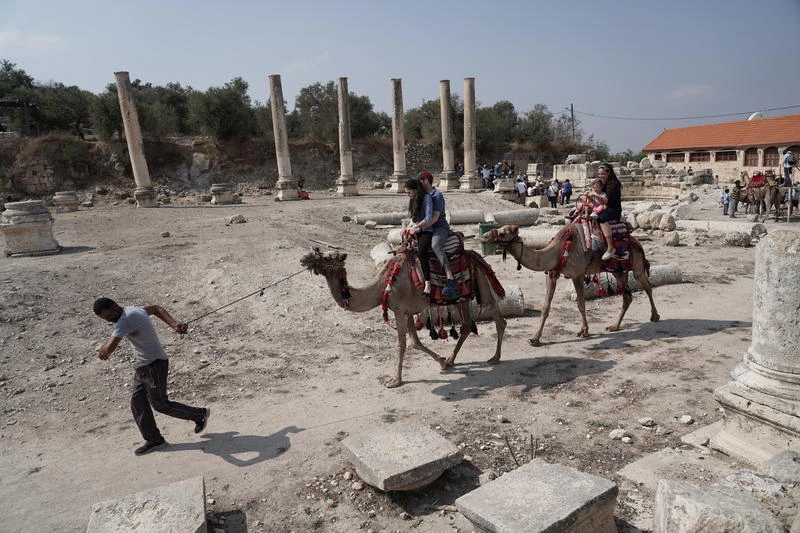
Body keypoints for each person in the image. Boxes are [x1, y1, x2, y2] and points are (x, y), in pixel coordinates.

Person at [93, 298, 210, 456]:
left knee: (160, 404)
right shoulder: (133, 310)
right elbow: (156, 308)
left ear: (114, 306)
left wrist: (102, 351)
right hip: (144, 366)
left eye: (108, 317)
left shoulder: (125, 320)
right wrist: (174, 324)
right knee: (137, 402)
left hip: (154, 365)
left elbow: (110, 348)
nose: (109, 321)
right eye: (105, 319)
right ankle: (155, 440)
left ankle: (200, 414)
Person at [406, 172, 458, 298]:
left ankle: (450, 277)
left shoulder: (437, 195)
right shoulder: (422, 196)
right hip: (426, 227)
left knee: (435, 245)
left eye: (419, 182)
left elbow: (434, 219)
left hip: (439, 227)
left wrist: (418, 228)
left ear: (425, 181)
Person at [595, 163, 623, 260]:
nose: (601, 176)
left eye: (603, 174)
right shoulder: (602, 182)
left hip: (613, 209)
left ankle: (610, 247)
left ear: (608, 173)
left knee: (601, 218)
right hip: (603, 206)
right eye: (599, 174)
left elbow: (607, 200)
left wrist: (595, 196)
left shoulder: (614, 184)